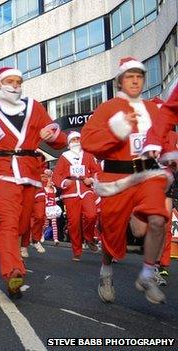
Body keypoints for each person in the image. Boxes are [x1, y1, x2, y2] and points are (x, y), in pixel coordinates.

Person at [81, 57, 169, 304]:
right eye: (129, 76)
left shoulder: (153, 109)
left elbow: (166, 138)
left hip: (147, 172)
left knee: (157, 219)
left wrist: (169, 155)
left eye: (139, 76)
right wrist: (115, 131)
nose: (134, 81)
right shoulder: (108, 108)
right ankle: (106, 270)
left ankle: (147, 274)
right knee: (112, 231)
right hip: (116, 176)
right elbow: (88, 141)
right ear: (120, 81)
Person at [0, 66, 67, 299]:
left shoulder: (34, 107)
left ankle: (13, 259)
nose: (15, 85)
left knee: (23, 225)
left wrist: (53, 134)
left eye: (19, 81)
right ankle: (13, 271)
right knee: (8, 223)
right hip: (2, 170)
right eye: (10, 81)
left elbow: (60, 140)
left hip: (29, 172)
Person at [52, 131, 100, 261]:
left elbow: (97, 171)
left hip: (86, 189)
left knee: (92, 214)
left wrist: (91, 179)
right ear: (69, 143)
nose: (76, 141)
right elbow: (56, 175)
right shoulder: (64, 156)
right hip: (70, 192)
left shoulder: (88, 155)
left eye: (78, 138)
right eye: (73, 139)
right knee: (74, 223)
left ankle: (89, 237)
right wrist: (63, 182)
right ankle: (77, 251)